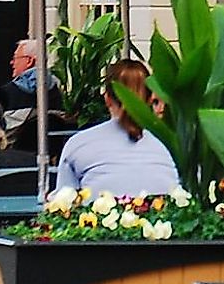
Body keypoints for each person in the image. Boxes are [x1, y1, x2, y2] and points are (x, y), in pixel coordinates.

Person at [55, 59, 180, 198]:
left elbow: (63, 202)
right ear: (151, 98)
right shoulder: (170, 144)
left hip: (99, 218)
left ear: (107, 98)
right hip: (164, 218)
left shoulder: (78, 144)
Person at [1, 36, 54, 115]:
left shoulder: (6, 93)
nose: (12, 62)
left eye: (15, 58)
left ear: (29, 61)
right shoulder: (57, 88)